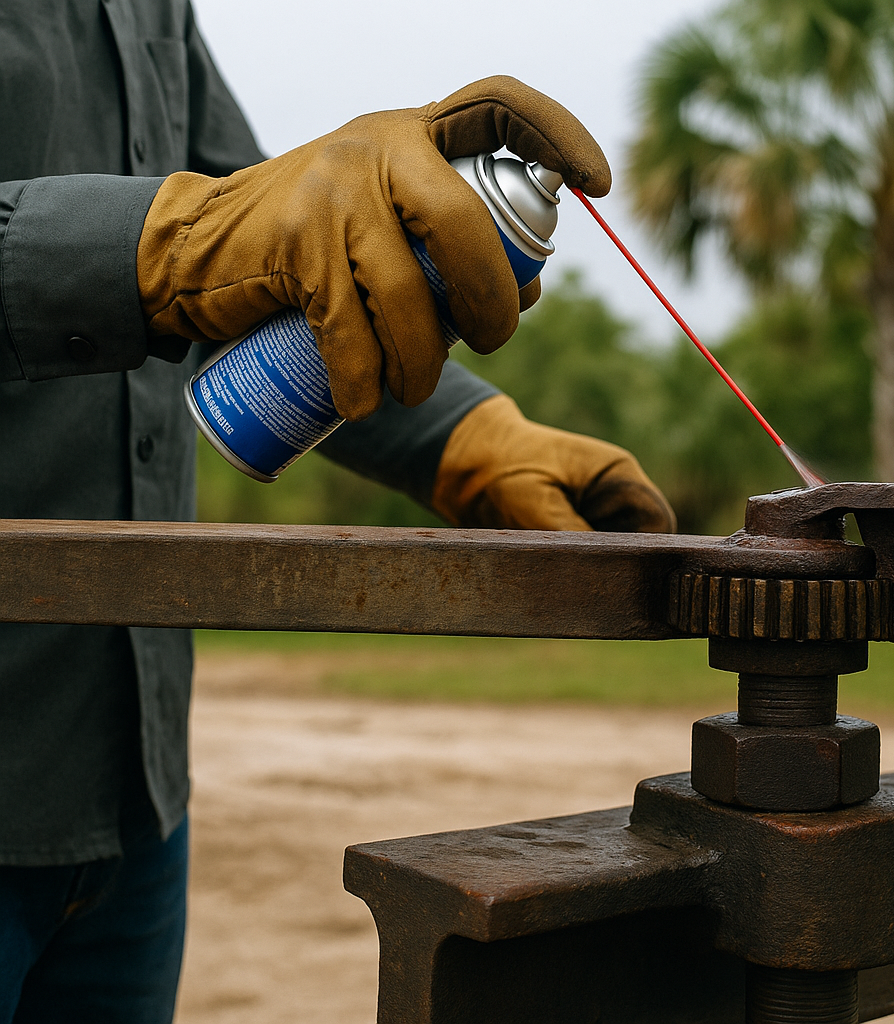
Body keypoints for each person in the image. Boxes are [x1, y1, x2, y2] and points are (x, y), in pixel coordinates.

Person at [0, 2, 676, 1021]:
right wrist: (169, 246)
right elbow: (210, 233)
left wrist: (467, 441)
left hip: (136, 797)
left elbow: (286, 253)